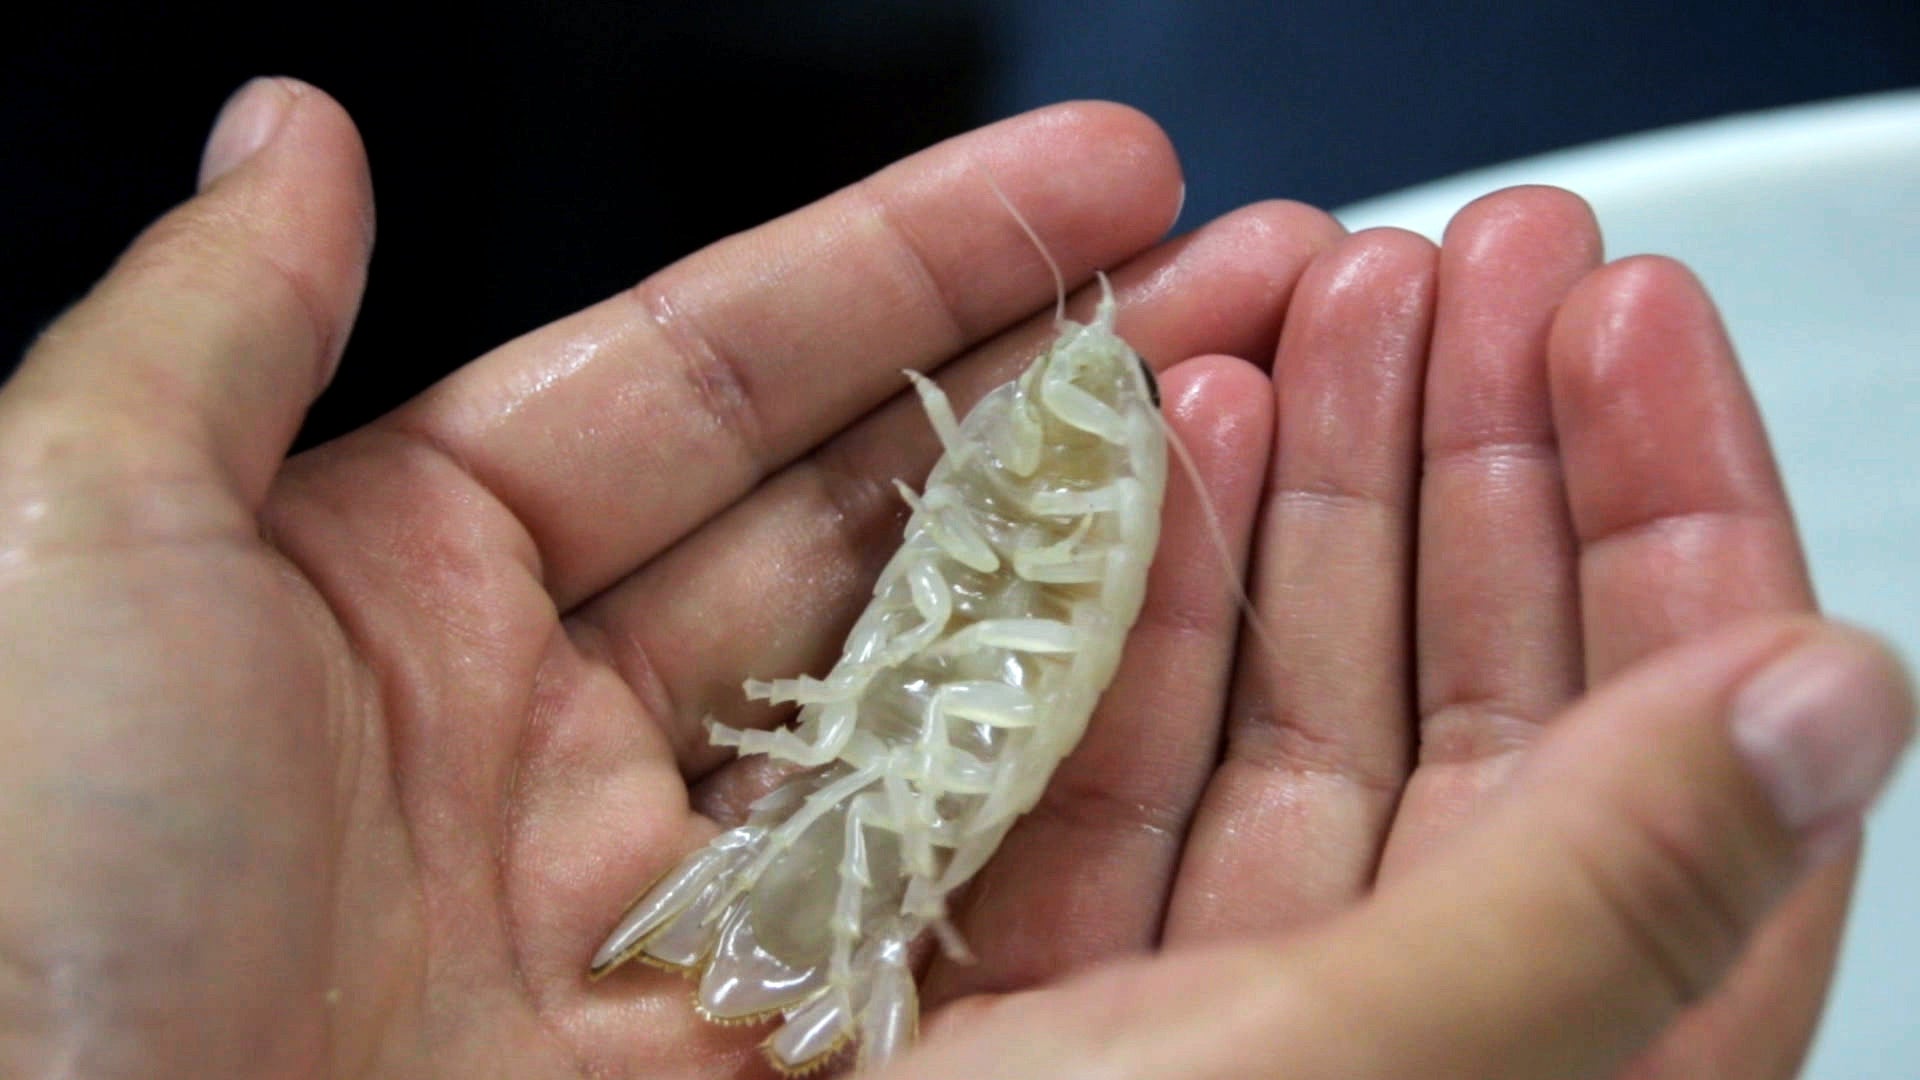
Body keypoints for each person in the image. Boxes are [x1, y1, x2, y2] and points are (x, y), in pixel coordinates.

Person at [0, 76, 1908, 1080]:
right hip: (876, 751)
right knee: (900, 739)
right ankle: (827, 890)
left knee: (911, 736)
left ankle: (834, 885)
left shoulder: (1055, 474)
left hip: (899, 745)